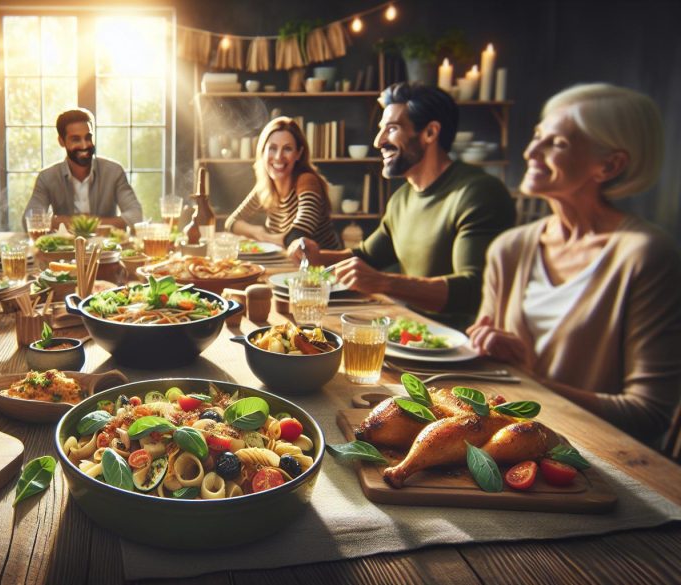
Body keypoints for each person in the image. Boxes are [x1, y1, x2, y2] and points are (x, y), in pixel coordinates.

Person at [467, 83, 681, 443]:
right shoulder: (510, 248)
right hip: (506, 447)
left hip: (598, 464)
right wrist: (484, 349)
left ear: (610, 165)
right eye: (537, 136)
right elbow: (490, 372)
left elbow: (648, 416)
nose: (532, 151)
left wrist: (533, 384)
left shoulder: (646, 256)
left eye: (557, 143)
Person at [289, 82, 515, 326]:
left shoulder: (478, 193)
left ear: (430, 133)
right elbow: (366, 256)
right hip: (409, 330)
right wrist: (317, 256)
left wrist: (384, 282)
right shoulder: (402, 198)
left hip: (462, 348)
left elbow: (474, 291)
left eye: (392, 128)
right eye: (380, 129)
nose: (378, 141)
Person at [224, 116, 340, 250]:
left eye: (287, 149)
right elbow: (231, 222)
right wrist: (257, 231)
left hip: (324, 268)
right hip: (293, 264)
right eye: (272, 148)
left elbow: (297, 237)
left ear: (298, 154)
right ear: (263, 152)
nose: (279, 157)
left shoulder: (307, 181)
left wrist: (263, 237)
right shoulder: (265, 187)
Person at [21, 108, 143, 230]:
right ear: (61, 141)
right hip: (64, 248)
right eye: (76, 139)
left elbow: (136, 216)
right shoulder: (47, 177)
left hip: (106, 248)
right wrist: (94, 224)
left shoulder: (114, 172)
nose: (84, 145)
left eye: (88, 138)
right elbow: (30, 220)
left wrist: (66, 222)